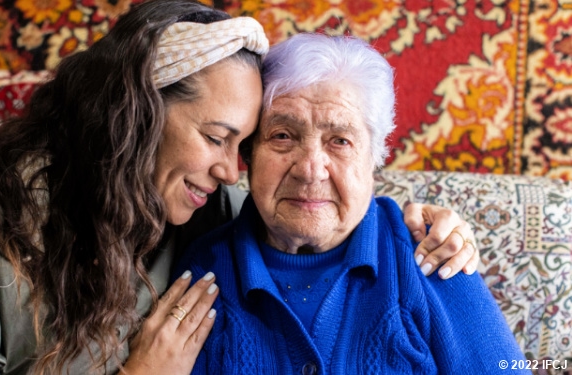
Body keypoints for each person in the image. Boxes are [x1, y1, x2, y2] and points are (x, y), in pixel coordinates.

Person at [0, 1, 479, 374]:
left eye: (243, 145)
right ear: (136, 117)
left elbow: (318, 195)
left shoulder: (215, 209)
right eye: (220, 138)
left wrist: (425, 225)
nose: (232, 170)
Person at [177, 33, 527, 374]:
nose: (310, 170)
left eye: (340, 141)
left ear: (374, 158)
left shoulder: (432, 253)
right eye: (283, 136)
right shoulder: (203, 271)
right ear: (249, 152)